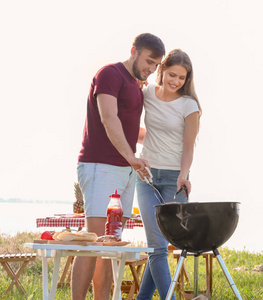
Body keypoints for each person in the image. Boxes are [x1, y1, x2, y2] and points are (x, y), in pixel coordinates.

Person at [72, 33, 165, 300]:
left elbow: (130, 130)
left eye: (156, 65)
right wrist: (132, 157)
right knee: (93, 241)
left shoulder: (136, 85)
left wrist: (170, 138)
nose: (151, 69)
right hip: (100, 165)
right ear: (134, 51)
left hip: (125, 170)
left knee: (110, 244)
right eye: (149, 61)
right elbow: (108, 118)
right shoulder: (110, 75)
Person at [136, 49, 201, 300]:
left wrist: (183, 176)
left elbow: (188, 146)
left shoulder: (189, 105)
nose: (175, 81)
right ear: (161, 70)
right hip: (147, 178)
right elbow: (131, 120)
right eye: (172, 74)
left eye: (182, 78)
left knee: (159, 248)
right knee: (157, 247)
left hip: (175, 181)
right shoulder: (146, 93)